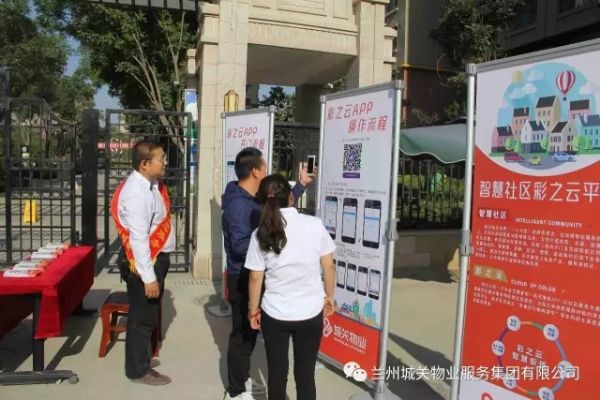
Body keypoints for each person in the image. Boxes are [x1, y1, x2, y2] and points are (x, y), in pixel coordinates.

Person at [222, 147, 315, 400]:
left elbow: (278, 207)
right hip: (243, 277)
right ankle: (236, 391)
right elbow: (240, 246)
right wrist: (269, 244)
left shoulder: (251, 197)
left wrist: (300, 186)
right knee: (243, 336)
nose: (266, 171)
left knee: (250, 334)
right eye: (264, 167)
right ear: (255, 171)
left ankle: (241, 381)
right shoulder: (239, 205)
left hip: (255, 273)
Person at [245, 174, 335, 400]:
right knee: (305, 375)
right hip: (310, 311)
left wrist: (253, 310)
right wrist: (329, 296)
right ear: (291, 198)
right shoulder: (314, 225)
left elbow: (255, 277)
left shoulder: (260, 233)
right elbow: (328, 265)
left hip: (275, 313)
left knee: (277, 374)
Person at [111, 139, 174, 385]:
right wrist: (149, 278)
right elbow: (138, 239)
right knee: (142, 318)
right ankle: (137, 370)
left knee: (148, 314)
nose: (165, 162)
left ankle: (142, 358)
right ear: (145, 164)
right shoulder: (136, 194)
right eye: (161, 158)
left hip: (155, 258)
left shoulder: (151, 184)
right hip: (144, 263)